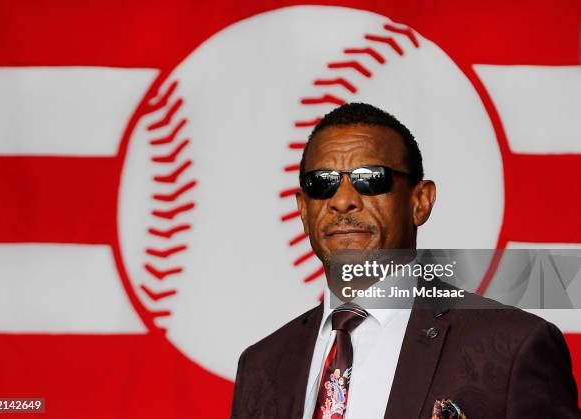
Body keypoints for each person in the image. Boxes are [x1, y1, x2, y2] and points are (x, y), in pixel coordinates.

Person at [230, 103, 580, 418]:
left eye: (370, 179)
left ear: (420, 201)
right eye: (322, 183)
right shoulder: (261, 365)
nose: (342, 201)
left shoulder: (513, 348)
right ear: (303, 210)